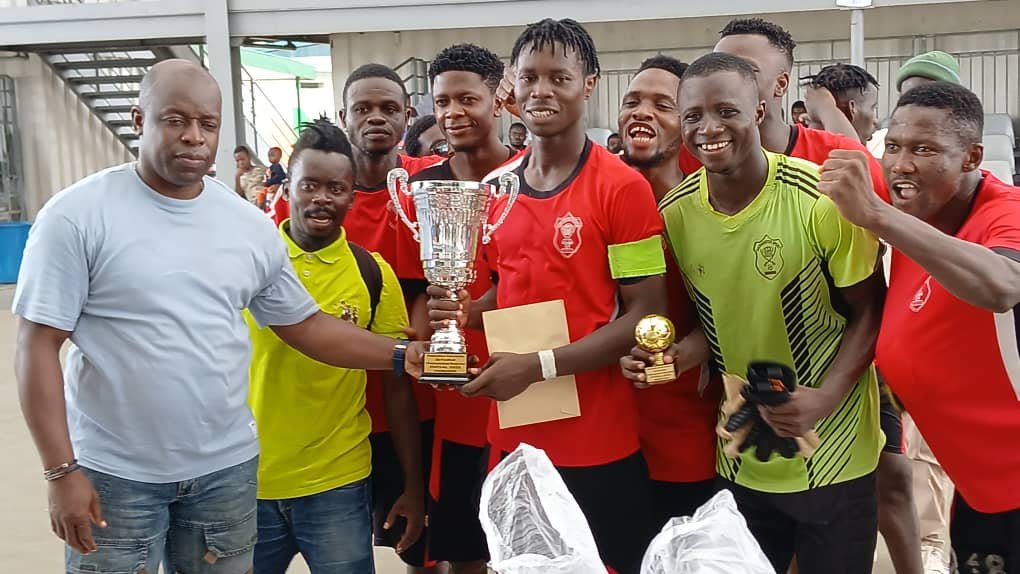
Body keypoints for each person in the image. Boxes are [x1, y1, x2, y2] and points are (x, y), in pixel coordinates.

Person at [12, 59, 426, 574]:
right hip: (117, 475)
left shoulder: (246, 226)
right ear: (140, 119)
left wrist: (405, 354)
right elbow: (36, 345)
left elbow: (307, 327)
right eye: (175, 121)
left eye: (207, 124)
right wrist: (60, 471)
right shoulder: (76, 216)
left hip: (224, 476)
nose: (193, 137)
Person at [624, 53, 885, 573]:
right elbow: (716, 313)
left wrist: (825, 397)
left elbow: (872, 309)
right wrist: (673, 357)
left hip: (833, 454)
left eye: (727, 111)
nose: (708, 128)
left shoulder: (820, 200)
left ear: (761, 108)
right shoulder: (675, 214)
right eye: (693, 115)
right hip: (740, 456)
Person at [428, 19, 667, 574]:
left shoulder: (622, 188)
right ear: (512, 84)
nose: (542, 90)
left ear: (588, 85)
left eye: (559, 77)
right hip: (513, 437)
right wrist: (464, 311)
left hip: (597, 443)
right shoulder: (494, 191)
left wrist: (536, 367)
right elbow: (500, 293)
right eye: (530, 77)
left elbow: (645, 314)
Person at [818, 81, 1020, 574]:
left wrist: (878, 215)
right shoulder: (915, 198)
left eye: (924, 149)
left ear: (972, 157)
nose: (901, 164)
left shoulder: (1003, 211)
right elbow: (854, 165)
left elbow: (1001, 284)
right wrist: (822, 105)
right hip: (979, 489)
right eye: (894, 146)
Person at [247, 117, 424, 574]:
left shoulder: (372, 273)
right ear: (287, 186)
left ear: (351, 194)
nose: (322, 199)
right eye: (309, 185)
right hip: (244, 482)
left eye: (336, 188)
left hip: (337, 482)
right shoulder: (244, 263)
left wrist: (414, 485)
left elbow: (397, 387)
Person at [803, 61, 924, 574]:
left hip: (873, 343)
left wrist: (827, 108)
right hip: (819, 347)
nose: (875, 122)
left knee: (892, 474)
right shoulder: (829, 157)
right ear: (854, 107)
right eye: (871, 109)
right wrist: (826, 106)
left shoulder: (871, 163)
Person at [402, 42, 516, 574]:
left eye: (467, 98)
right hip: (455, 397)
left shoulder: (527, 180)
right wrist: (424, 344)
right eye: (442, 101)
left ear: (498, 98)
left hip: (522, 388)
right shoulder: (422, 187)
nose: (453, 113)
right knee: (464, 550)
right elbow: (420, 290)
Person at [338, 62, 439, 573]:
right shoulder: (319, 197)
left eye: (389, 109)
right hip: (341, 415)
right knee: (344, 554)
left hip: (418, 408)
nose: (375, 118)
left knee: (424, 551)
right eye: (363, 109)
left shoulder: (434, 189)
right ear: (344, 117)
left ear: (408, 117)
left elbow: (446, 284)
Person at [616, 54, 720, 527]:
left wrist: (690, 353)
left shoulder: (713, 203)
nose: (642, 112)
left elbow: (734, 309)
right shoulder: (600, 194)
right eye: (632, 101)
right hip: (605, 418)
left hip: (685, 423)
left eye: (663, 104)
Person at [803, 63, 881, 145]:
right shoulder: (851, 155)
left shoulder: (796, 145)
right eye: (872, 108)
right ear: (852, 109)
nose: (876, 121)